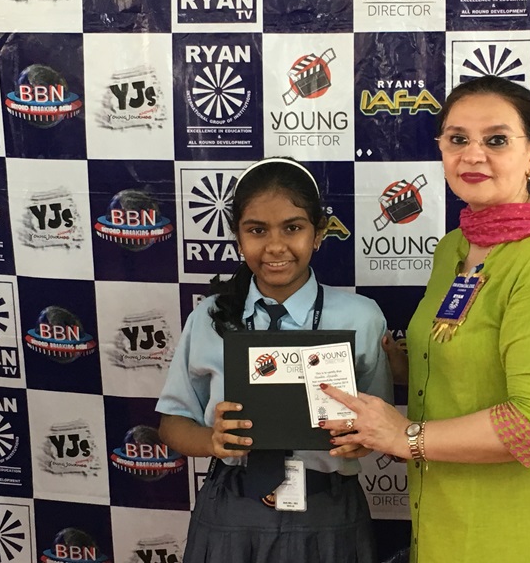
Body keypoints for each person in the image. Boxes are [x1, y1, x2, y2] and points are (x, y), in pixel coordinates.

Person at [320, 76, 530, 563]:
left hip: (519, 533)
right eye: (458, 139)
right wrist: (403, 368)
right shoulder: (454, 247)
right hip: (443, 518)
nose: (473, 155)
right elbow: (470, 361)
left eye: (497, 140)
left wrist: (403, 435)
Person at [156, 157, 393, 563]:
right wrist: (211, 440)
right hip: (231, 507)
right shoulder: (209, 317)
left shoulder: (361, 317)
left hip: (328, 509)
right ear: (237, 237)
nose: (275, 246)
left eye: (293, 228)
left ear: (319, 233)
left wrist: (363, 440)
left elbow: (382, 423)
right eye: (257, 230)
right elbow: (172, 424)